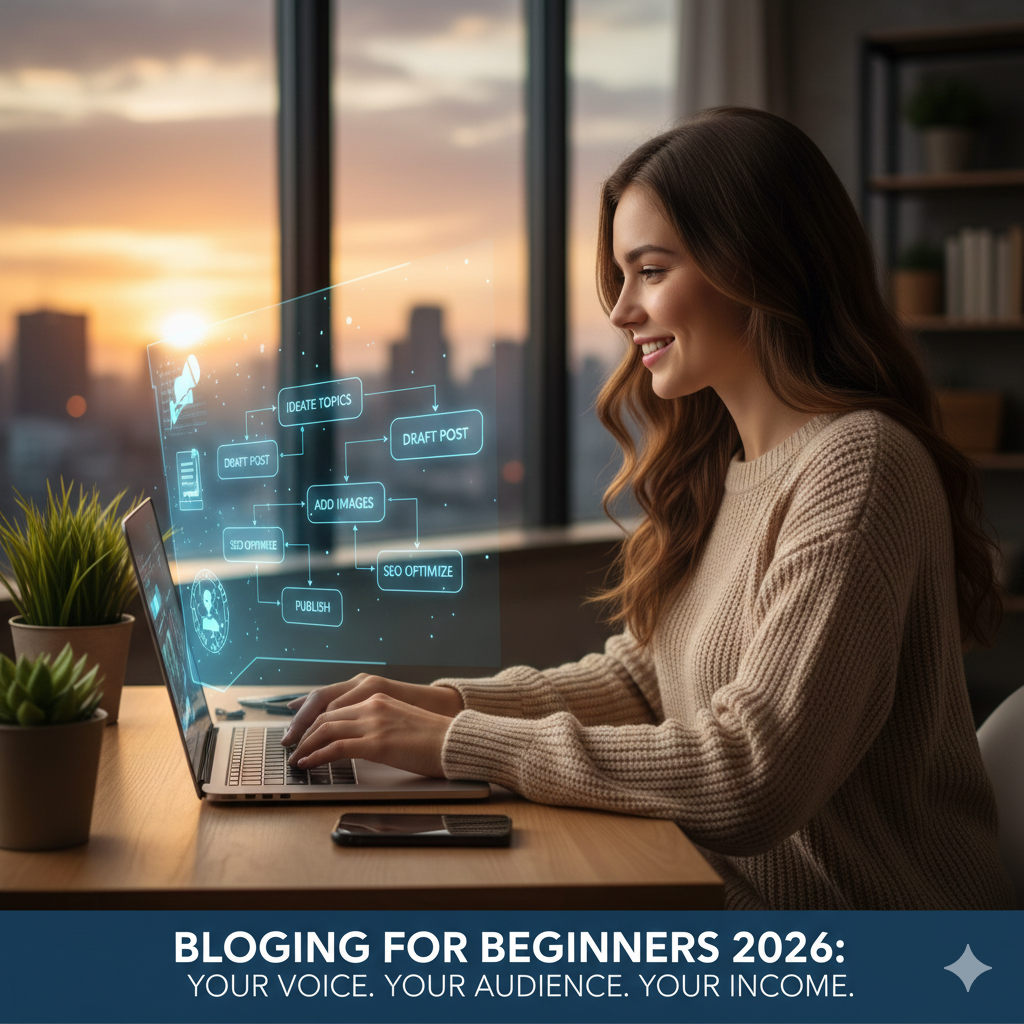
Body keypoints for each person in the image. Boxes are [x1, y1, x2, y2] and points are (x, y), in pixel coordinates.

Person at [282, 107, 1015, 911]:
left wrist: (459, 743)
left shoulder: (859, 465)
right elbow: (645, 683)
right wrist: (442, 704)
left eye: (652, 271)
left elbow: (751, 778)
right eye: (622, 276)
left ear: (760, 265)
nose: (621, 310)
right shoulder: (730, 467)